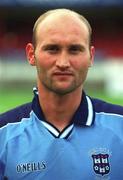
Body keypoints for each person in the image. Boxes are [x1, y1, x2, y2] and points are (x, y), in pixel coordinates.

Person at [0, 8, 123, 180]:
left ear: (91, 56)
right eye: (52, 49)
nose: (63, 62)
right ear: (31, 54)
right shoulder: (3, 134)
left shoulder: (120, 125)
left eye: (74, 49)